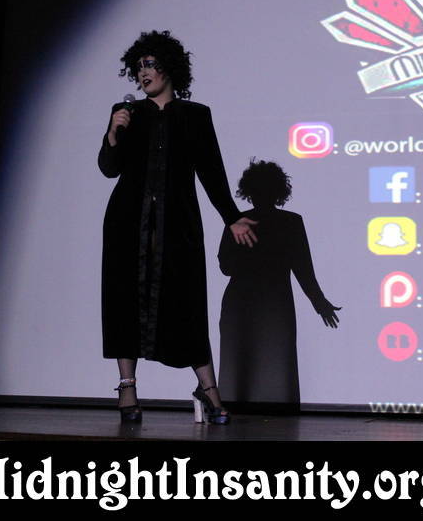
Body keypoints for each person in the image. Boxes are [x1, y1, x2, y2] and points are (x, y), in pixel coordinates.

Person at [98, 30, 257, 424]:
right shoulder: (126, 112)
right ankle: (127, 387)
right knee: (124, 301)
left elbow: (211, 171)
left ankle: (207, 389)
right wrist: (113, 133)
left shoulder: (195, 115)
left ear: (169, 67)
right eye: (138, 66)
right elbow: (109, 168)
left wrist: (231, 216)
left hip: (178, 224)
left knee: (186, 303)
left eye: (150, 64)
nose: (143, 72)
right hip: (126, 223)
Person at [218, 160, 340, 410]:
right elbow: (303, 269)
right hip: (275, 303)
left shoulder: (237, 222)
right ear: (279, 191)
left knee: (240, 365)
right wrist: (320, 302)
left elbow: (225, 267)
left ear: (248, 190)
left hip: (241, 303)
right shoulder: (291, 222)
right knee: (277, 366)